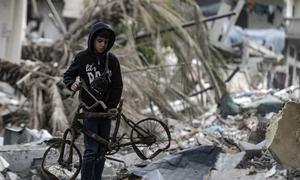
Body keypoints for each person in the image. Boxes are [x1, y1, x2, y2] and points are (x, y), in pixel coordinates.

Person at [63, 22, 123, 180]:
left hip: (106, 112)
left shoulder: (112, 60)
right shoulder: (82, 58)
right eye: (99, 41)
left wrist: (112, 106)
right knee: (91, 151)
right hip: (89, 110)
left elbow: (117, 85)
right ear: (92, 39)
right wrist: (72, 84)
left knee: (102, 152)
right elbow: (68, 76)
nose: (103, 45)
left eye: (106, 42)